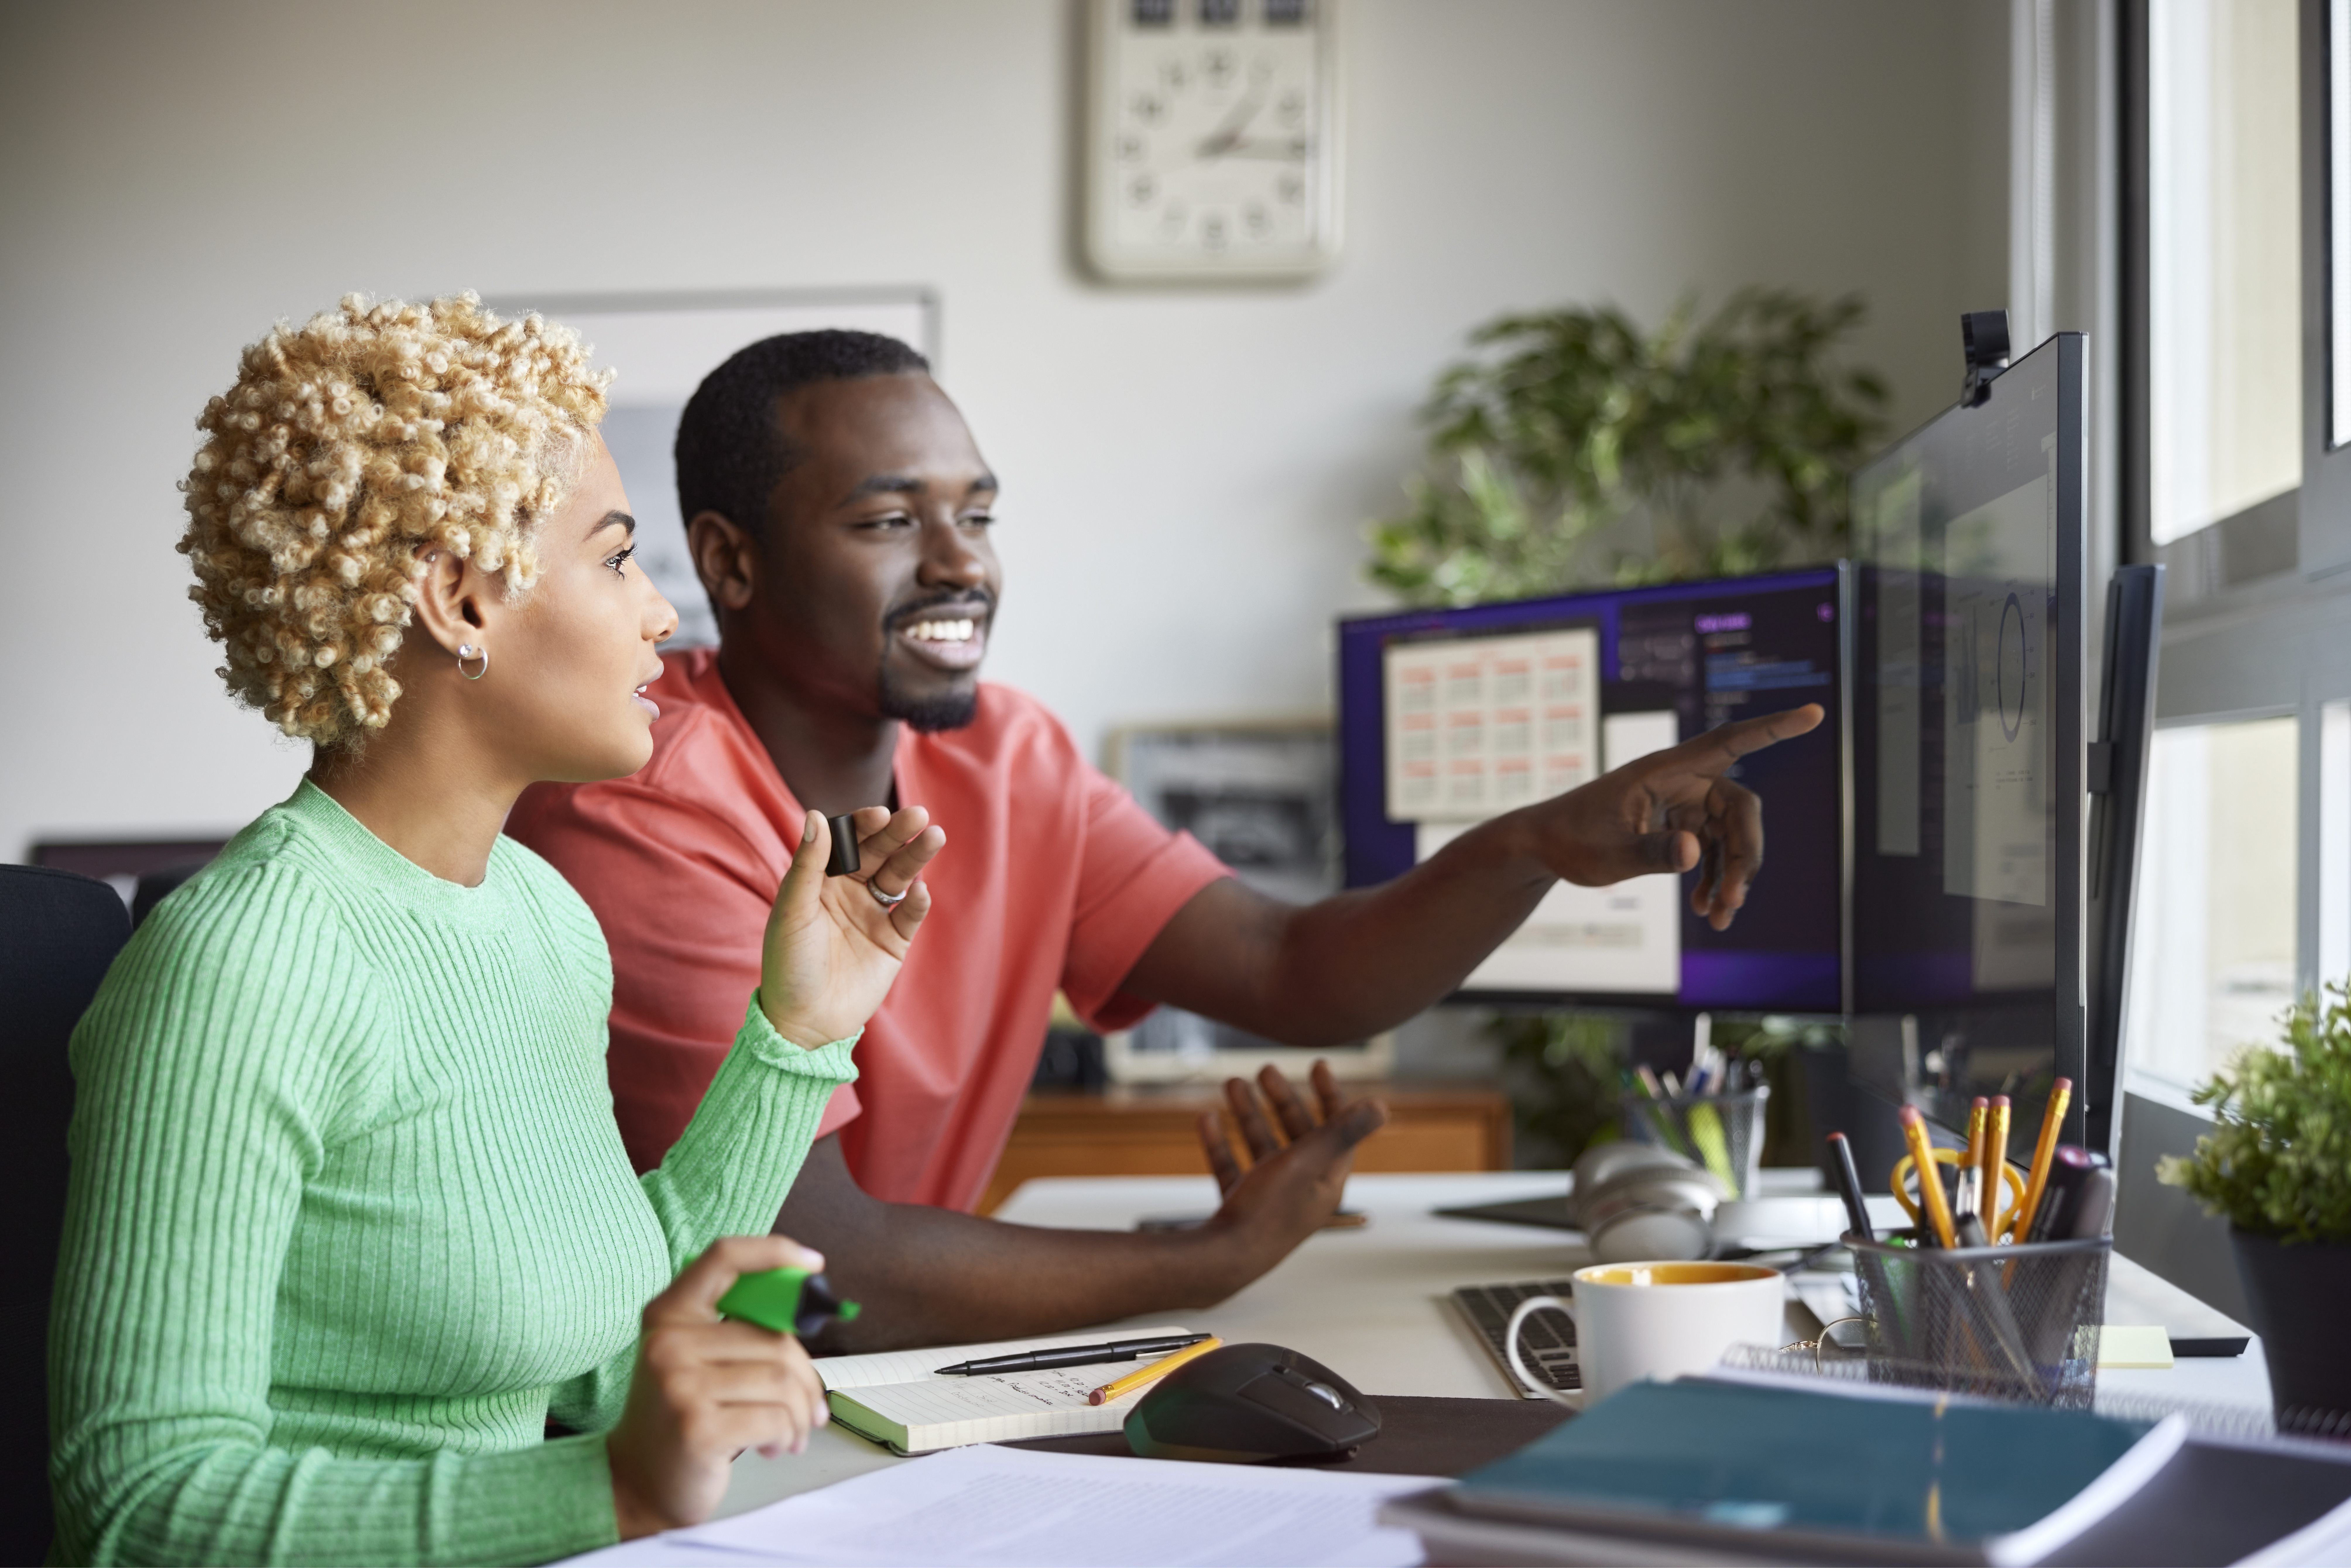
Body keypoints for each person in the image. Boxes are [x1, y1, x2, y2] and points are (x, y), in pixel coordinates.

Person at [508, 331, 1822, 1353]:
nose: (961, 563)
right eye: (890, 521)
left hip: (859, 1379)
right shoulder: (640, 799)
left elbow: (1296, 968)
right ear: (729, 566)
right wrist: (1212, 1257)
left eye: (979, 512)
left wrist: (1538, 843)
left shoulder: (1007, 756)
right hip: (675, 1408)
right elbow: (818, 1268)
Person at [50, 297, 943, 1564]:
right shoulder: (238, 967)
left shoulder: (540, 917)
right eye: (618, 558)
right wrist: (604, 1496)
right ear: (460, 600)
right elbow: (135, 1503)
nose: (660, 617)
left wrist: (796, 1030)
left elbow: (606, 1353)